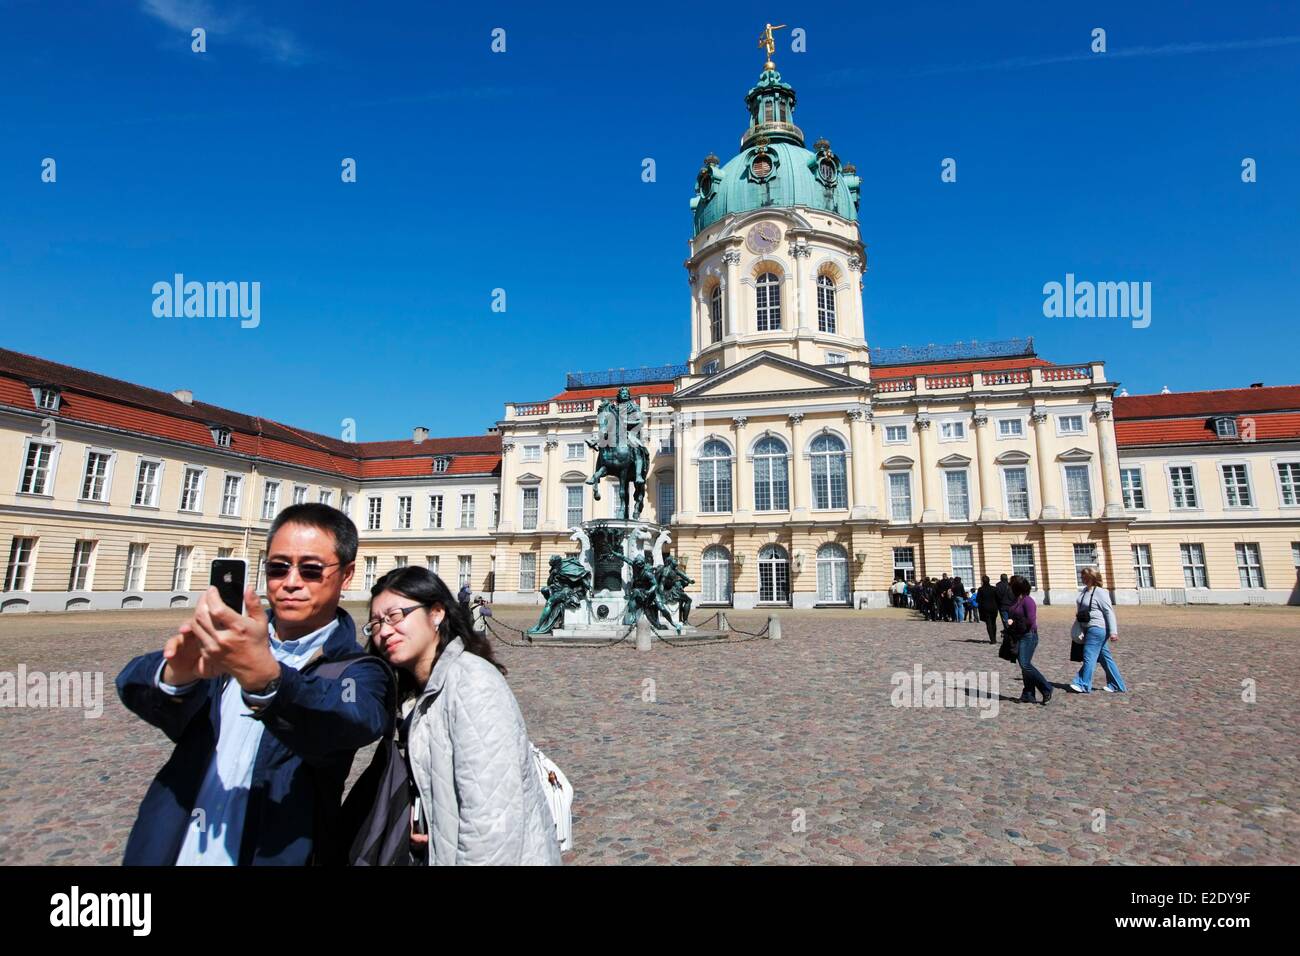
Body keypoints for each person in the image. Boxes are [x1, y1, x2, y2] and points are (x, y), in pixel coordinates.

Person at [115, 503, 393, 865]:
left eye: (310, 570)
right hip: (169, 848)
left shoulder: (357, 669)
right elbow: (130, 683)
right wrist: (175, 675)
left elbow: (352, 718)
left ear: (347, 575)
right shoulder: (229, 643)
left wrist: (270, 681)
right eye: (278, 568)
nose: (291, 582)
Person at [365, 566, 562, 865]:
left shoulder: (471, 682)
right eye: (376, 623)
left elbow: (493, 824)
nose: (385, 630)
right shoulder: (420, 692)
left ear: (436, 613)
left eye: (395, 616)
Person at [1068, 566, 1127, 694]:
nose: (1081, 578)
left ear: (1091, 578)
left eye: (1084, 576)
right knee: (1105, 658)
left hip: (1098, 628)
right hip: (1087, 627)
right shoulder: (1084, 591)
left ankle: (1082, 684)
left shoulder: (1100, 592)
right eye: (1081, 575)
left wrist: (1113, 632)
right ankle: (1117, 685)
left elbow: (1108, 612)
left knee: (1089, 656)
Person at [1007, 574, 1052, 704]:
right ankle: (1028, 693)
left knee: (1025, 664)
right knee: (1024, 665)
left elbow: (1031, 620)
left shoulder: (1028, 600)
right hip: (1019, 635)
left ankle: (1046, 687)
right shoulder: (1016, 600)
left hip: (1029, 635)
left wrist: (1014, 623)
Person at [976, 575, 1000, 644]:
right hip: (994, 608)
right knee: (993, 623)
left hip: (985, 608)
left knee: (988, 623)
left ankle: (992, 639)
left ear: (982, 581)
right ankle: (994, 638)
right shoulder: (994, 588)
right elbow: (998, 598)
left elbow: (978, 600)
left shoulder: (981, 589)